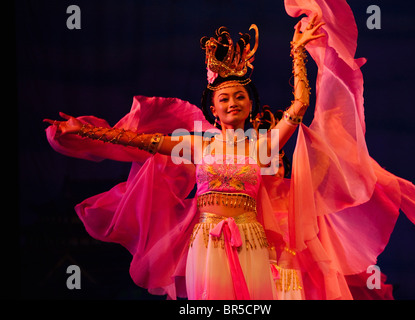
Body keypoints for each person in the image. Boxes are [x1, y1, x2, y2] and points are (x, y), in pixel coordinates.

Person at [44, 17, 324, 300]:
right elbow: (139, 141)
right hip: (207, 241)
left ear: (250, 104)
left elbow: (299, 105)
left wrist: (297, 50)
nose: (233, 103)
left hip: (250, 239)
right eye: (224, 99)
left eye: (239, 96)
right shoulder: (196, 146)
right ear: (213, 109)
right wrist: (86, 131)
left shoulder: (262, 147)